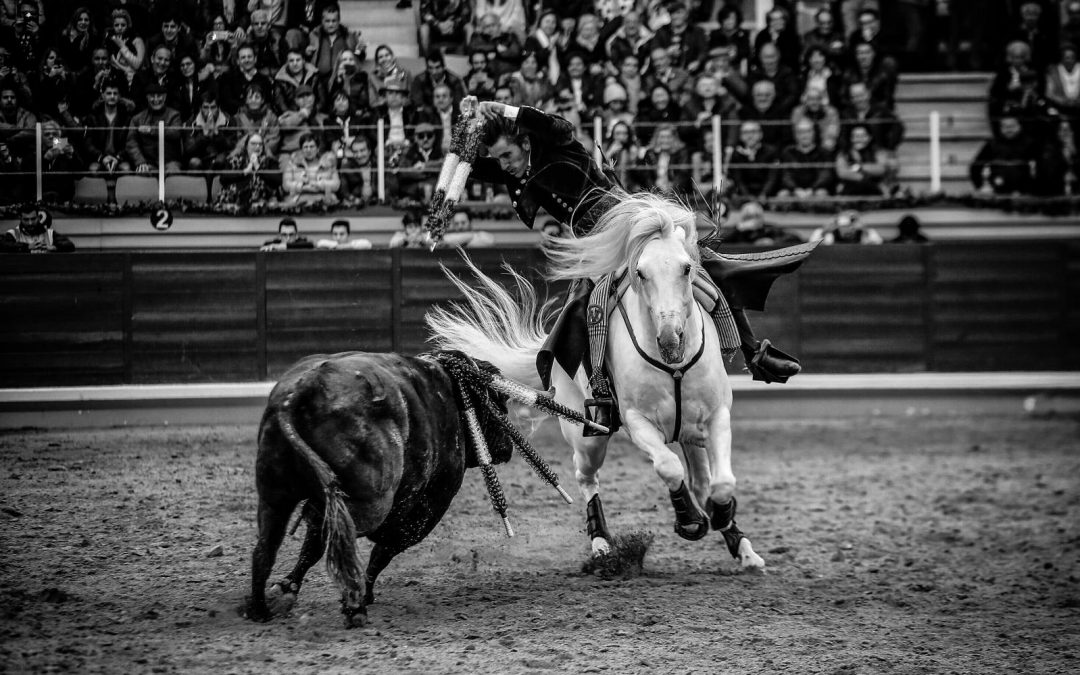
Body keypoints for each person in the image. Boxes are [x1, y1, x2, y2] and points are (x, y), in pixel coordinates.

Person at [468, 98, 811, 397]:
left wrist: (506, 111)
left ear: (525, 142)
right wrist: (460, 147)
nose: (505, 164)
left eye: (507, 155)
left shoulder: (557, 144)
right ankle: (600, 389)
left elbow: (560, 125)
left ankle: (754, 353)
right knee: (583, 306)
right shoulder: (518, 169)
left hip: (627, 221)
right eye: (499, 159)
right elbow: (481, 170)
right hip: (595, 245)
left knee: (699, 266)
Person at [126, 81, 183, 174]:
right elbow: (131, 143)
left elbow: (175, 133)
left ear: (165, 97)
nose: (156, 99)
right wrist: (140, 161)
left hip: (170, 162)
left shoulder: (174, 115)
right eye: (152, 96)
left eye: (159, 95)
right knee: (142, 174)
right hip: (148, 162)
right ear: (147, 97)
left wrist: (151, 130)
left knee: (174, 175)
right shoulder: (137, 119)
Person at [0, 203, 74, 253]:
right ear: (20, 218)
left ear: (38, 218)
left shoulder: (49, 233)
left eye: (33, 219)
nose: (30, 223)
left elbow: (69, 245)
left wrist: (54, 247)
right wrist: (26, 247)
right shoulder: (13, 234)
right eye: (26, 219)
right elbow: (3, 246)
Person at [722, 201, 804, 246]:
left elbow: (795, 238)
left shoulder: (768, 229)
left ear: (761, 219)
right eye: (749, 218)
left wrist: (773, 242)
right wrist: (737, 229)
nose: (752, 223)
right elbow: (715, 243)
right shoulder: (737, 231)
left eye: (755, 217)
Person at [809, 210, 884, 245]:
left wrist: (866, 232)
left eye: (850, 226)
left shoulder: (867, 232)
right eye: (844, 227)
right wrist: (823, 233)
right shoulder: (828, 233)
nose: (848, 229)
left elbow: (878, 245)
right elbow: (812, 248)